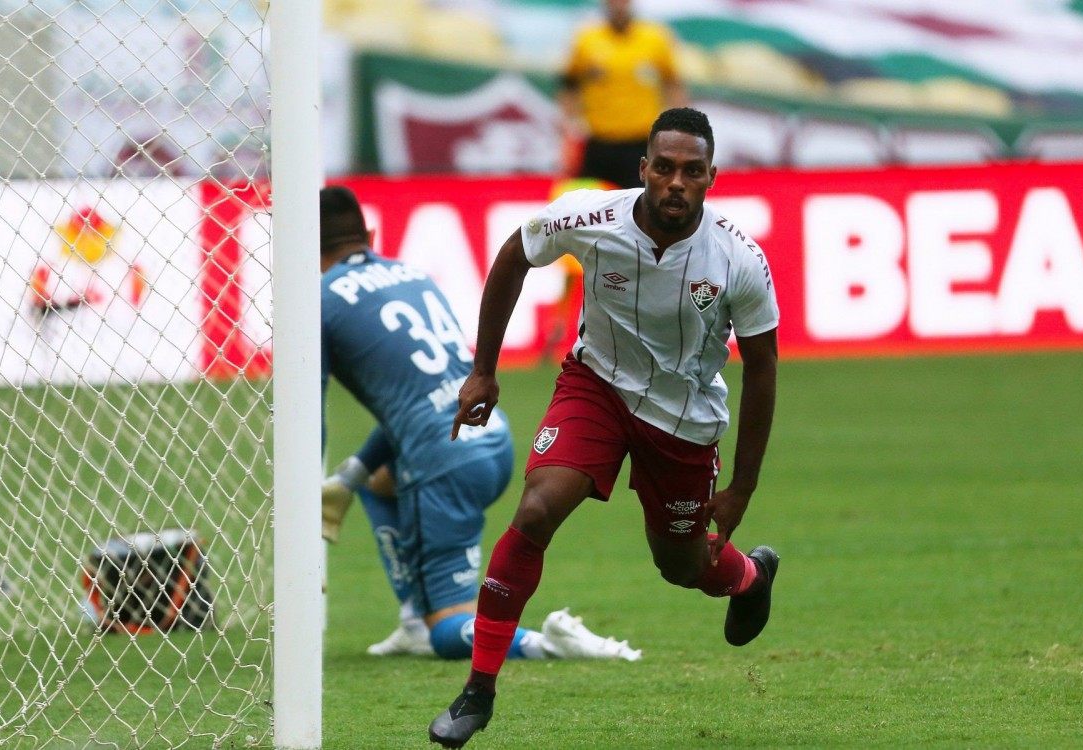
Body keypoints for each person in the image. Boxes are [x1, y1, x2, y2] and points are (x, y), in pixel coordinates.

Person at [428, 107, 781, 748]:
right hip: (597, 386)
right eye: (665, 167)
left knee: (679, 565)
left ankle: (750, 577)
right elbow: (514, 255)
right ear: (643, 168)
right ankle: (478, 690)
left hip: (683, 419)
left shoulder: (740, 261)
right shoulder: (589, 217)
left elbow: (763, 370)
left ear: (711, 178)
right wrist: (483, 371)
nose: (676, 182)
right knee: (535, 512)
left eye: (692, 171)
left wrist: (743, 490)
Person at [319, 185, 642, 665]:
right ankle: (411, 622)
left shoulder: (320, 301)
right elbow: (418, 399)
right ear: (369, 233)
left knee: (449, 629)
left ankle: (546, 642)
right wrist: (352, 475)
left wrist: (307, 493)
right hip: (490, 436)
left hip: (442, 461)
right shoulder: (413, 275)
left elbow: (310, 413)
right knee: (379, 483)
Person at [559, 0, 686, 189]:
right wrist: (569, 127)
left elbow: (673, 84)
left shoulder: (655, 39)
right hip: (598, 143)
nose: (618, 5)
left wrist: (676, 128)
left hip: (640, 142)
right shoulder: (587, 40)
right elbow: (570, 85)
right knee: (587, 208)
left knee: (640, 206)